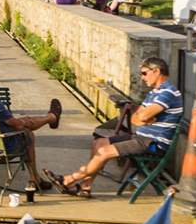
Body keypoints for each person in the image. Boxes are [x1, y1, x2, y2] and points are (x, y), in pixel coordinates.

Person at [45, 57, 182, 197]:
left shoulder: (167, 93)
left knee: (104, 152)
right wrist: (145, 118)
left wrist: (143, 118)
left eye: (144, 73)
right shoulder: (154, 93)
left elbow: (141, 116)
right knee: (99, 142)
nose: (142, 78)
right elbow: (136, 118)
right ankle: (86, 187)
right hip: (141, 137)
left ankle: (69, 180)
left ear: (156, 71)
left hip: (153, 143)